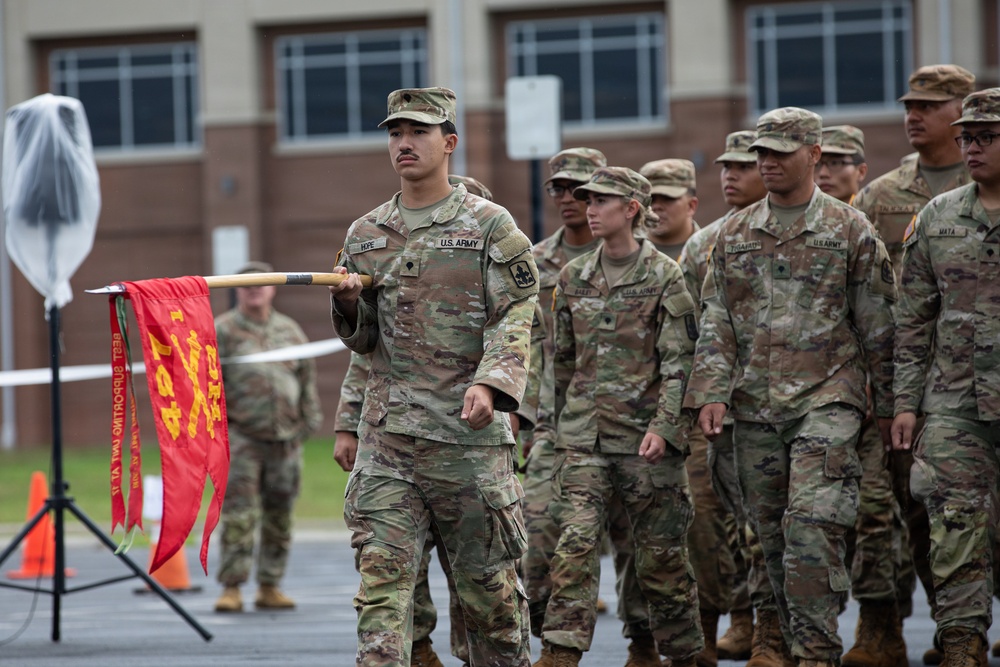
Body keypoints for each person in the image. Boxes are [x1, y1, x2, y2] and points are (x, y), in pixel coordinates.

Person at [329, 87, 537, 667]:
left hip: (466, 444)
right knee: (382, 592)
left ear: (448, 144)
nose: (403, 143)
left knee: (489, 601)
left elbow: (517, 311)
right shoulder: (366, 232)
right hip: (389, 445)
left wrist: (491, 383)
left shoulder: (489, 225)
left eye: (417, 132)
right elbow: (364, 340)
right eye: (395, 133)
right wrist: (348, 306)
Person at [685, 107, 897, 667]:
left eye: (781, 151)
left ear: (814, 156)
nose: (768, 162)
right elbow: (717, 321)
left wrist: (892, 408)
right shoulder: (732, 233)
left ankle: (816, 655)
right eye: (762, 152)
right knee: (770, 540)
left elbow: (878, 324)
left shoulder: (850, 229)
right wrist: (710, 390)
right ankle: (793, 640)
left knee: (811, 527)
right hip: (753, 408)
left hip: (829, 400)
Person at [540, 166, 703, 667]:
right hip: (585, 440)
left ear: (631, 209)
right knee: (574, 545)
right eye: (586, 200)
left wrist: (666, 426)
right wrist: (553, 429)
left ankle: (676, 653)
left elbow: (681, 361)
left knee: (660, 559)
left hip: (646, 443)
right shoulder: (573, 277)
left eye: (601, 200)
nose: (589, 208)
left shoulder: (664, 275)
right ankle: (560, 652)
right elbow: (561, 362)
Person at [332, 174, 496, 667]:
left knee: (479, 576)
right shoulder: (383, 260)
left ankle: (472, 652)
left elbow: (516, 347)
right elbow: (365, 358)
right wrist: (347, 423)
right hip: (395, 441)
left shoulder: (491, 261)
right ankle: (417, 647)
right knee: (393, 566)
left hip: (467, 439)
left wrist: (516, 421)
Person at [851, 64, 975, 666]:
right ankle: (891, 629)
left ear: (963, 109)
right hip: (904, 383)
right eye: (909, 104)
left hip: (975, 381)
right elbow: (869, 298)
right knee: (898, 511)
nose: (913, 115)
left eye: (929, 104)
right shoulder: (882, 196)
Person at [890, 86, 1000, 666]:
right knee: (953, 525)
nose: (973, 148)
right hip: (955, 403)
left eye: (987, 137)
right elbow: (912, 321)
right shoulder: (937, 216)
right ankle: (961, 644)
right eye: (967, 138)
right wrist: (906, 403)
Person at [678, 130, 780, 667]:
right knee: (709, 526)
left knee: (769, 528)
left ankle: (768, 630)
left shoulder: (800, 230)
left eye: (742, 166)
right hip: (717, 411)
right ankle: (726, 623)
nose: (731, 175)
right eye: (726, 166)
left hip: (779, 407)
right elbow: (688, 335)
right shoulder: (706, 245)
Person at [813, 124, 909, 667]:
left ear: (861, 171)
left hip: (875, 396)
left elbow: (888, 317)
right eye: (822, 161)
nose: (828, 172)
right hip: (816, 399)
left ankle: (881, 625)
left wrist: (892, 393)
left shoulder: (866, 226)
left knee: (880, 511)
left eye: (840, 162)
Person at [213, 260, 323, 613]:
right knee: (239, 515)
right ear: (237, 291)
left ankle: (270, 585)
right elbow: (207, 383)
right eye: (247, 285)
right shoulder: (223, 331)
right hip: (242, 438)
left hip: (286, 439)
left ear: (273, 288)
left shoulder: (289, 329)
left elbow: (306, 376)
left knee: (280, 514)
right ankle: (232, 587)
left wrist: (309, 420)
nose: (254, 289)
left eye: (260, 284)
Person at [640, 158, 699, 259]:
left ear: (691, 206)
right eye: (650, 199)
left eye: (667, 198)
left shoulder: (714, 251)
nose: (656, 206)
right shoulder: (623, 253)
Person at [816, 126, 868, 206]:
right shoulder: (800, 216)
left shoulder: (874, 215)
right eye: (816, 164)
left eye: (835, 163)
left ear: (861, 171)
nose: (823, 173)